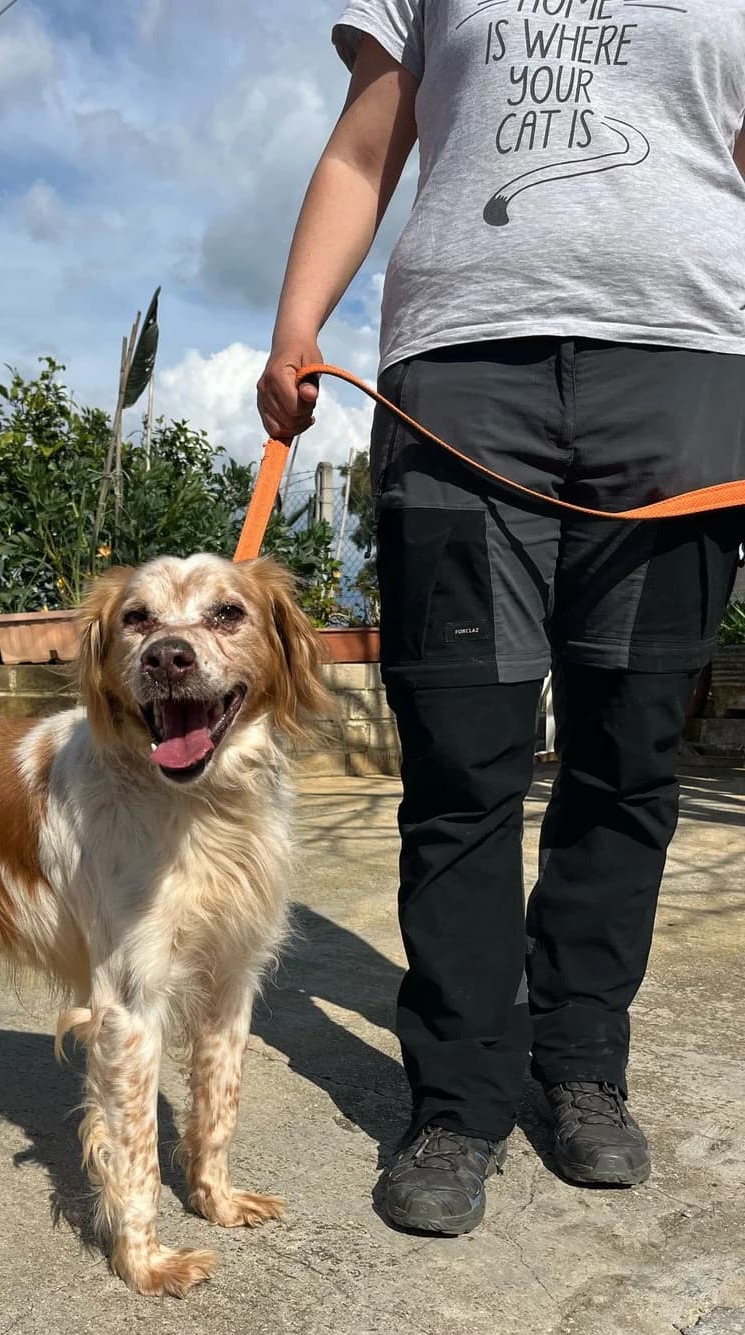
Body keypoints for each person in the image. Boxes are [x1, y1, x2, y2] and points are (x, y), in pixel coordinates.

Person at [258, 1, 745, 1234]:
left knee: (627, 751)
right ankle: (455, 1101)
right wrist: (295, 325)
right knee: (461, 759)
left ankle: (581, 1063)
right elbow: (365, 149)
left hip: (686, 367)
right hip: (462, 374)